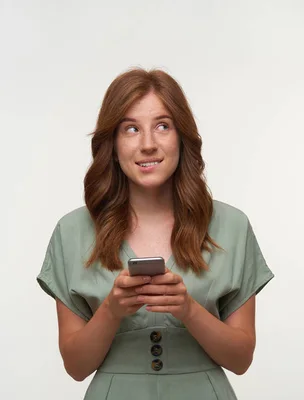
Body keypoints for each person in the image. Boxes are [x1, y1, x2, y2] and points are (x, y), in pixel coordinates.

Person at [36, 68, 275, 399]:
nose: (148, 144)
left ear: (181, 136)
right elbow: (76, 367)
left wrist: (188, 310)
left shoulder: (232, 226)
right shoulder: (71, 232)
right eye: (131, 129)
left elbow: (241, 359)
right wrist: (111, 310)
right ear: (113, 144)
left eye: (162, 126)